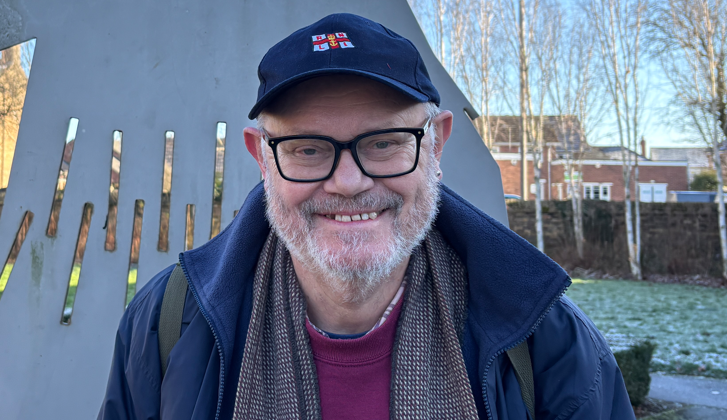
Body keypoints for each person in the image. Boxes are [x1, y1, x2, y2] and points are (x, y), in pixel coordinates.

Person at [98, 13, 635, 420]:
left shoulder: (548, 341)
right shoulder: (167, 327)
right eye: (307, 149)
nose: (349, 182)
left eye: (383, 142)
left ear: (436, 145)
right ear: (262, 158)